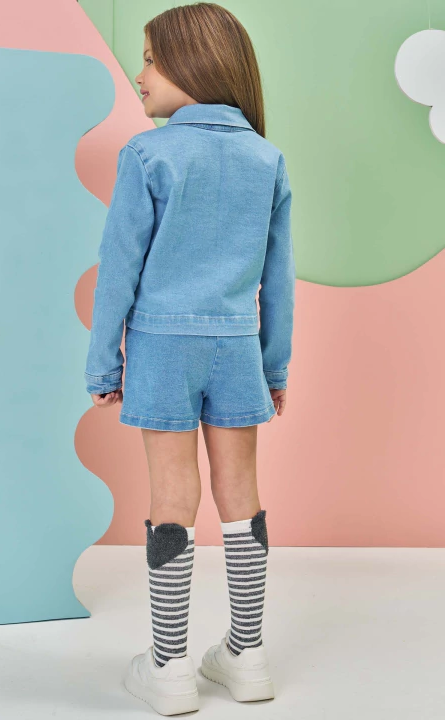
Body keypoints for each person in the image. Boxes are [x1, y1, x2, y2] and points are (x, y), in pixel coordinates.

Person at [84, 3, 295, 715]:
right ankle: (247, 655)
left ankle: (170, 665)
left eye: (150, 58)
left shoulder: (149, 155)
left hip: (162, 348)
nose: (140, 73)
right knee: (242, 498)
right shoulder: (267, 160)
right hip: (235, 349)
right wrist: (273, 368)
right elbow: (277, 282)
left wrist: (103, 365)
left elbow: (117, 271)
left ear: (192, 62)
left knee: (172, 498)